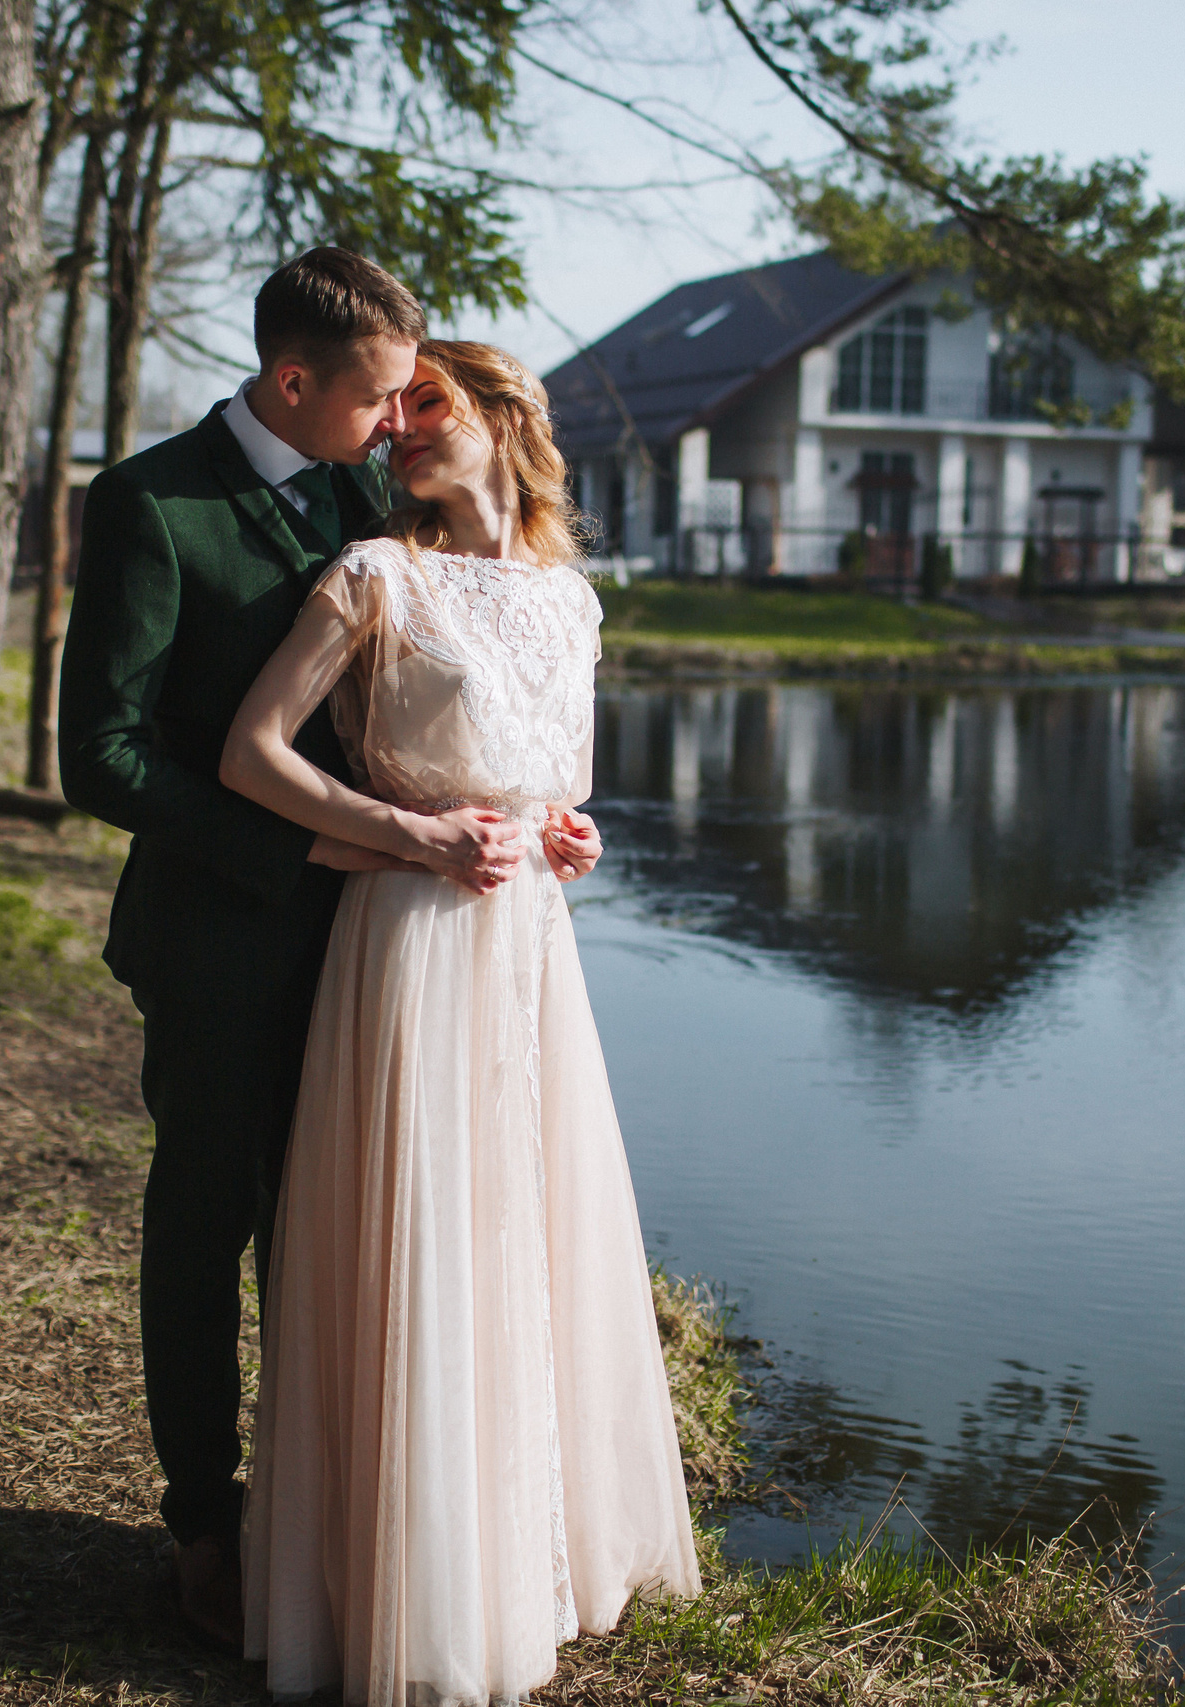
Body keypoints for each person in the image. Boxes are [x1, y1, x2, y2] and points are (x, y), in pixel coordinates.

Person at [219, 341, 701, 1705]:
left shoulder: (573, 600)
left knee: (524, 1243)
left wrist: (572, 834)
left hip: (533, 958)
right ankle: (407, 1595)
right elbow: (251, 753)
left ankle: (522, 1564)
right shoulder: (377, 576)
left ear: (505, 415)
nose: (399, 429)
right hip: (412, 946)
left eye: (428, 403)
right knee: (425, 1244)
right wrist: (408, 835)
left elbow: (545, 780)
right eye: (389, 409)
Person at [57, 250, 526, 1650]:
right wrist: (294, 849)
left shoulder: (369, 497)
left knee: (343, 1238)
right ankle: (205, 1520)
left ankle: (331, 1521)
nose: (399, 421)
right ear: (292, 380)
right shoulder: (152, 505)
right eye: (381, 394)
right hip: (221, 938)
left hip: (386, 948)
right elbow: (102, 755)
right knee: (210, 1226)